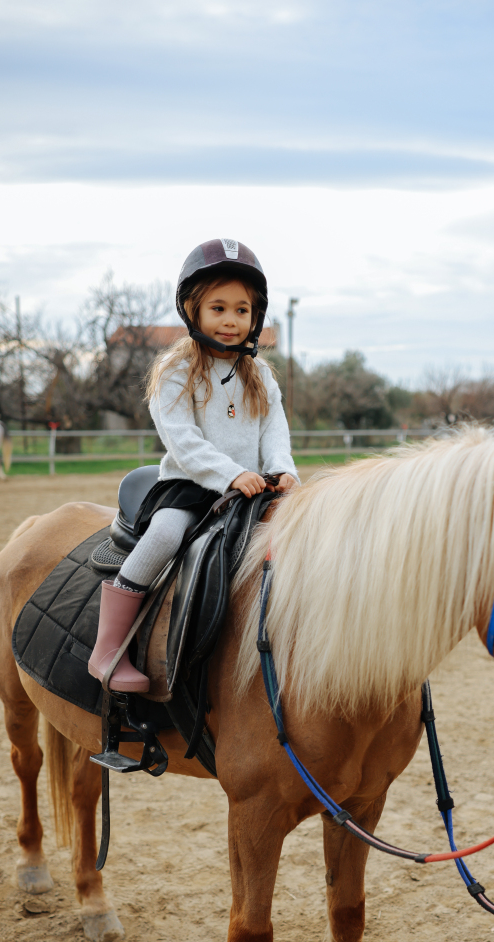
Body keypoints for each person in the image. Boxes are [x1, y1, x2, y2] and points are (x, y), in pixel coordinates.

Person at [89, 238, 299, 692]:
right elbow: (182, 441)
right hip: (192, 485)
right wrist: (229, 474)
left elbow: (274, 430)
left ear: (255, 317)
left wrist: (282, 470)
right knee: (166, 534)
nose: (230, 320)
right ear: (193, 312)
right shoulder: (177, 369)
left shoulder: (260, 375)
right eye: (218, 308)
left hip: (253, 488)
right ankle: (108, 650)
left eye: (242, 310)